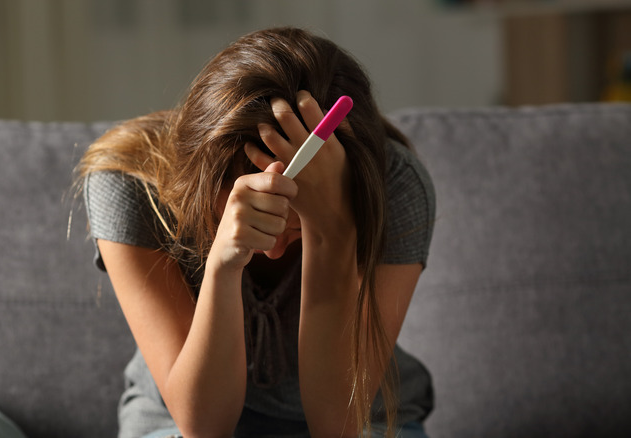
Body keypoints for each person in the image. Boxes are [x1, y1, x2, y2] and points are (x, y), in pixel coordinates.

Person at [76, 27, 435, 438]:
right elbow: (203, 427)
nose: (276, 250)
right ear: (198, 177)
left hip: (361, 417)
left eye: (293, 228)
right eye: (257, 217)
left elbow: (337, 427)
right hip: (175, 419)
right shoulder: (130, 181)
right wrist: (223, 265)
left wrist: (330, 233)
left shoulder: (394, 185)